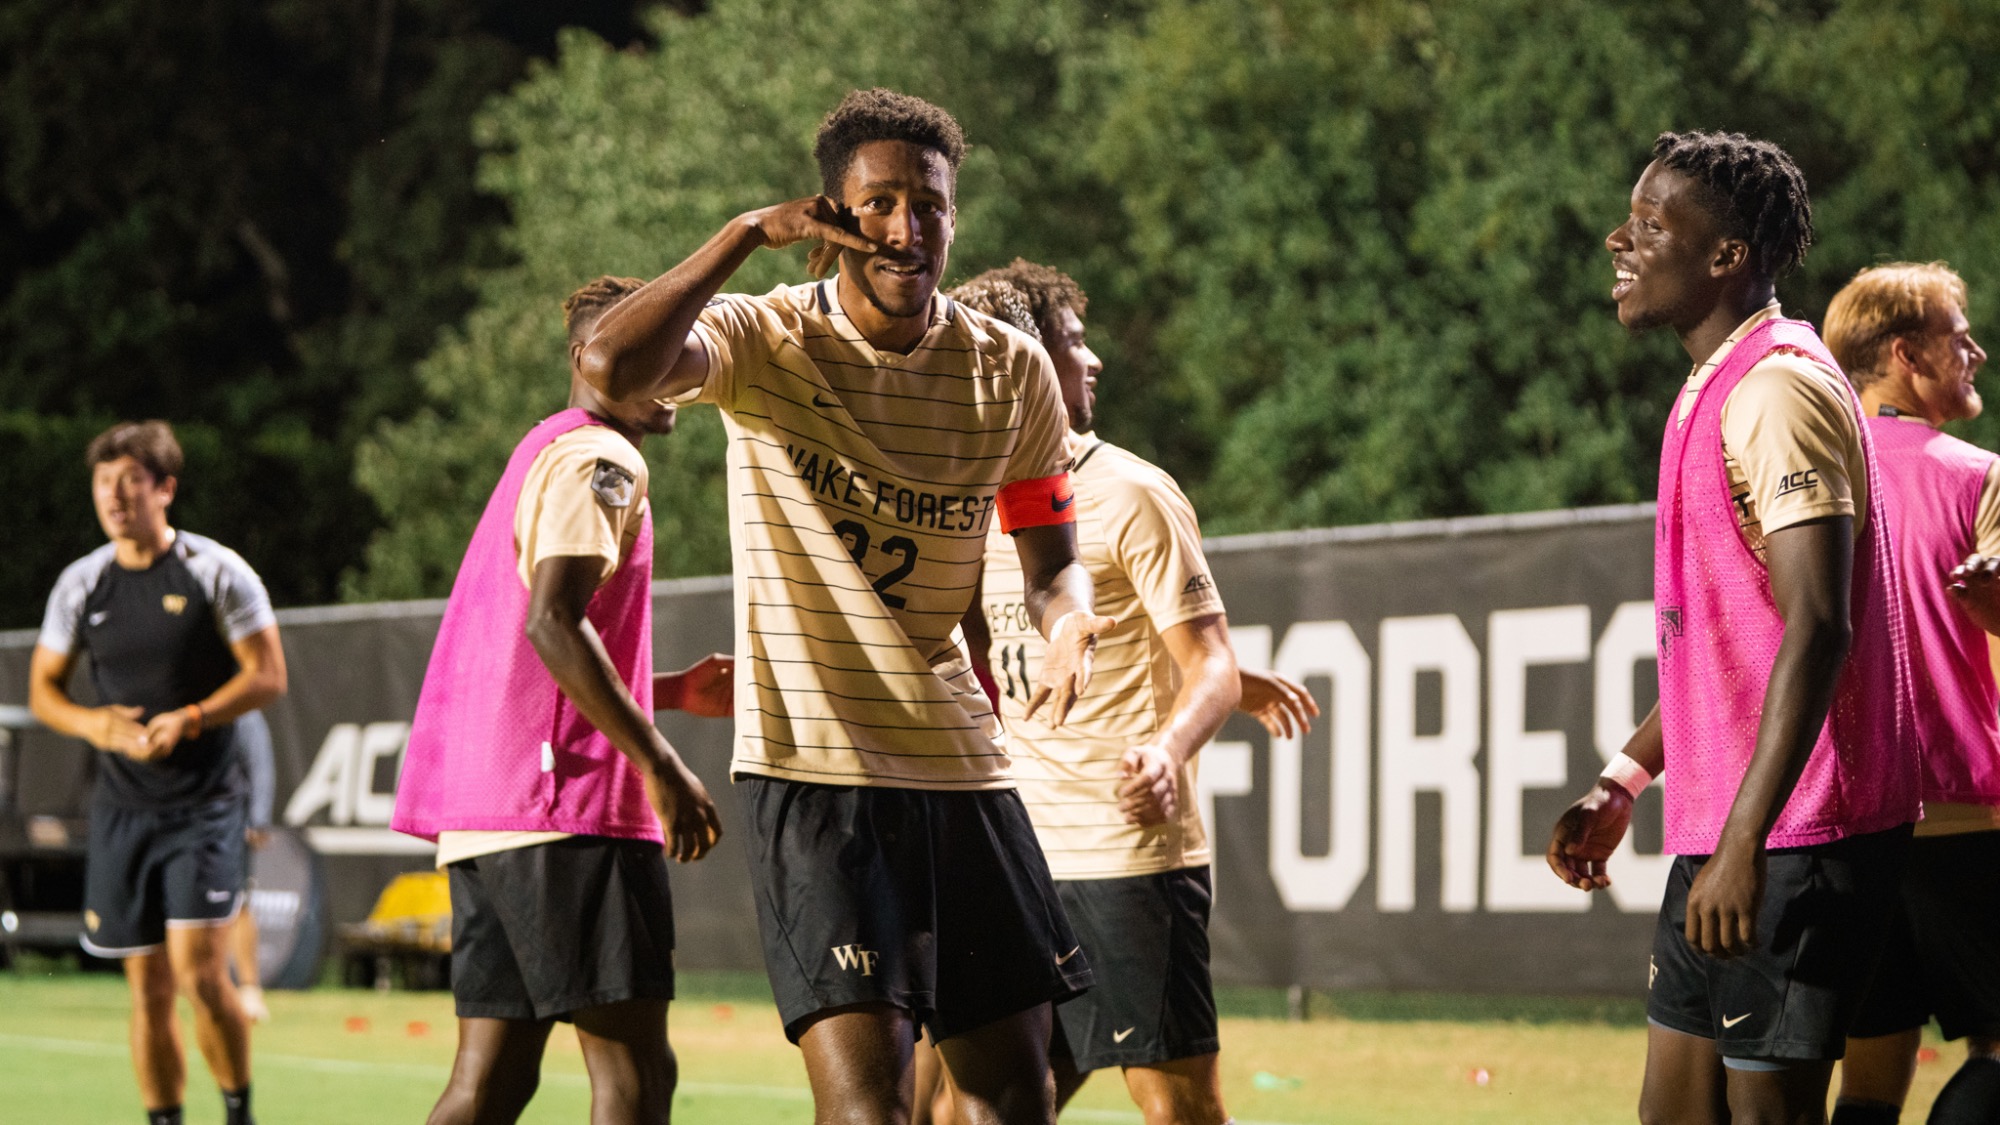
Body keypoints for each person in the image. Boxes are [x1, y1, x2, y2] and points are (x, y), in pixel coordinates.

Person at [577, 88, 1111, 1125]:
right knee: (871, 1113)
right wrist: (742, 234)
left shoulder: (1008, 371)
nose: (908, 229)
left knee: (1017, 1101)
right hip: (815, 772)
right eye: (879, 204)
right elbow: (609, 366)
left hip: (961, 766)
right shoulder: (761, 337)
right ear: (829, 213)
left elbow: (1050, 561)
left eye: (931, 205)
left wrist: (1069, 622)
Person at [1544, 131, 1921, 1124]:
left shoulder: (1774, 390)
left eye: (1651, 225)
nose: (1617, 240)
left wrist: (1747, 841)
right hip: (1725, 834)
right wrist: (1623, 781)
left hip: (1794, 835)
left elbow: (1817, 626)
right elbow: (1729, 656)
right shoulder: (1712, 384)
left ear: (1726, 257)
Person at [950, 263, 1319, 1125]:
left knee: (1177, 1108)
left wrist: (1168, 746)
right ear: (1025, 366)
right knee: (963, 1105)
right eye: (1075, 342)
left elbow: (1212, 664)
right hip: (1018, 859)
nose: (1096, 361)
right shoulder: (964, 507)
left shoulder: (1132, 493)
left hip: (1126, 858)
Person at [390, 275, 729, 1125]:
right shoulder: (602, 459)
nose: (676, 370)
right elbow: (551, 621)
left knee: (492, 1081)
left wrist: (668, 691)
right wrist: (658, 759)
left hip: (489, 816)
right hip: (568, 811)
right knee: (634, 1076)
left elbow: (525, 655)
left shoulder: (545, 446)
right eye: (656, 352)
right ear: (592, 359)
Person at [28, 420, 288, 1125]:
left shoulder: (216, 571)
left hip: (204, 803)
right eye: (103, 483)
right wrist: (93, 723)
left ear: (164, 489)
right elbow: (43, 688)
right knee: (145, 985)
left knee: (202, 975)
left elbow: (267, 674)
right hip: (122, 809)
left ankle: (238, 1114)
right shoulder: (82, 582)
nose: (113, 496)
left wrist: (195, 717)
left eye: (130, 482)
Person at [1820, 263, 1999, 1125]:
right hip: (1960, 813)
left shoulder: (1798, 476)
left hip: (1841, 821)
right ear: (1904, 354)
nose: (1978, 353)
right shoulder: (1978, 476)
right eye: (1958, 336)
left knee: (1872, 1070)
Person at [229, 709, 275, 1023]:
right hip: (179, 820)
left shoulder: (243, 709)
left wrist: (258, 817)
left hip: (227, 823)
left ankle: (249, 989)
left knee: (237, 901)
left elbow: (260, 764)